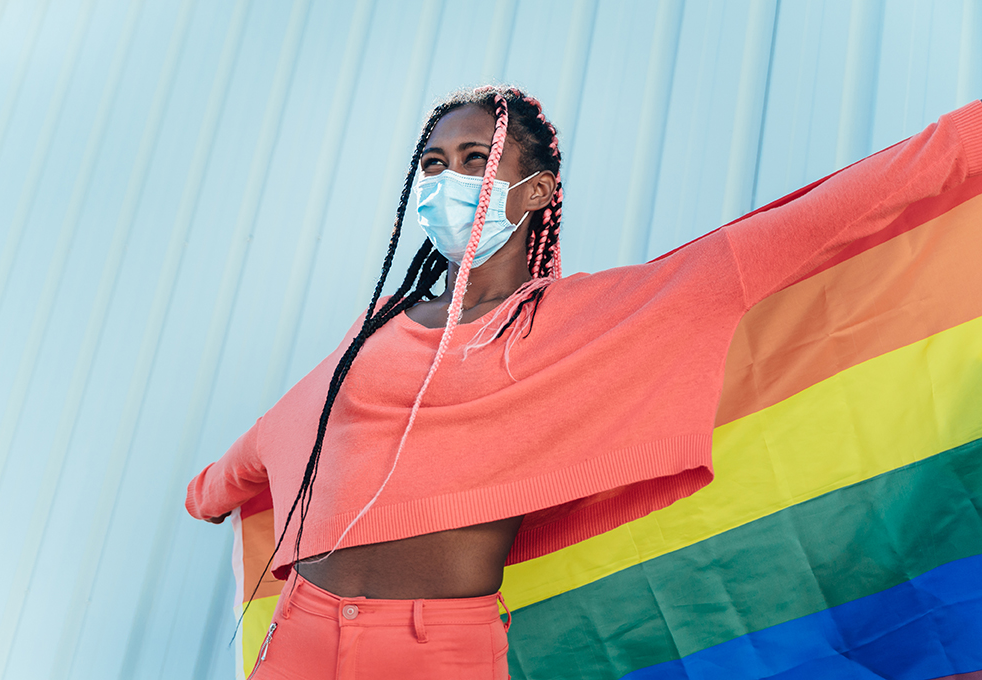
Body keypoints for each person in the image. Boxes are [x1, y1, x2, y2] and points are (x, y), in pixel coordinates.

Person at [186, 86, 982, 679]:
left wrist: (964, 141)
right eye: (433, 163)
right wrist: (211, 491)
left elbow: (825, 216)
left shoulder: (588, 317)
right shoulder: (381, 329)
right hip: (302, 628)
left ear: (534, 193)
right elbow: (282, 432)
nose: (445, 179)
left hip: (433, 647)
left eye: (475, 161)